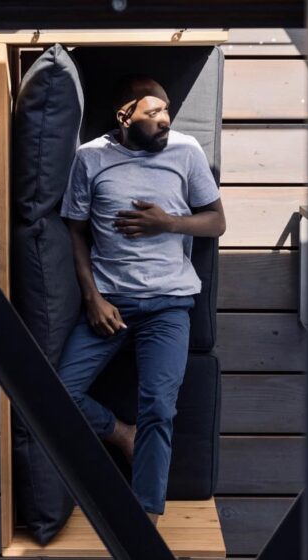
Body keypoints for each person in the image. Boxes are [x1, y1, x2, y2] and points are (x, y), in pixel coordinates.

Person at [58, 74, 226, 527]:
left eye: (167, 110)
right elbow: (75, 231)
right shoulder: (90, 158)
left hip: (169, 305)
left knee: (159, 406)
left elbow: (216, 222)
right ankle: (121, 434)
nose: (165, 120)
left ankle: (145, 519)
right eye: (153, 113)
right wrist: (92, 298)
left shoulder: (187, 152)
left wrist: (168, 223)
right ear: (124, 116)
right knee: (55, 395)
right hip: (111, 303)